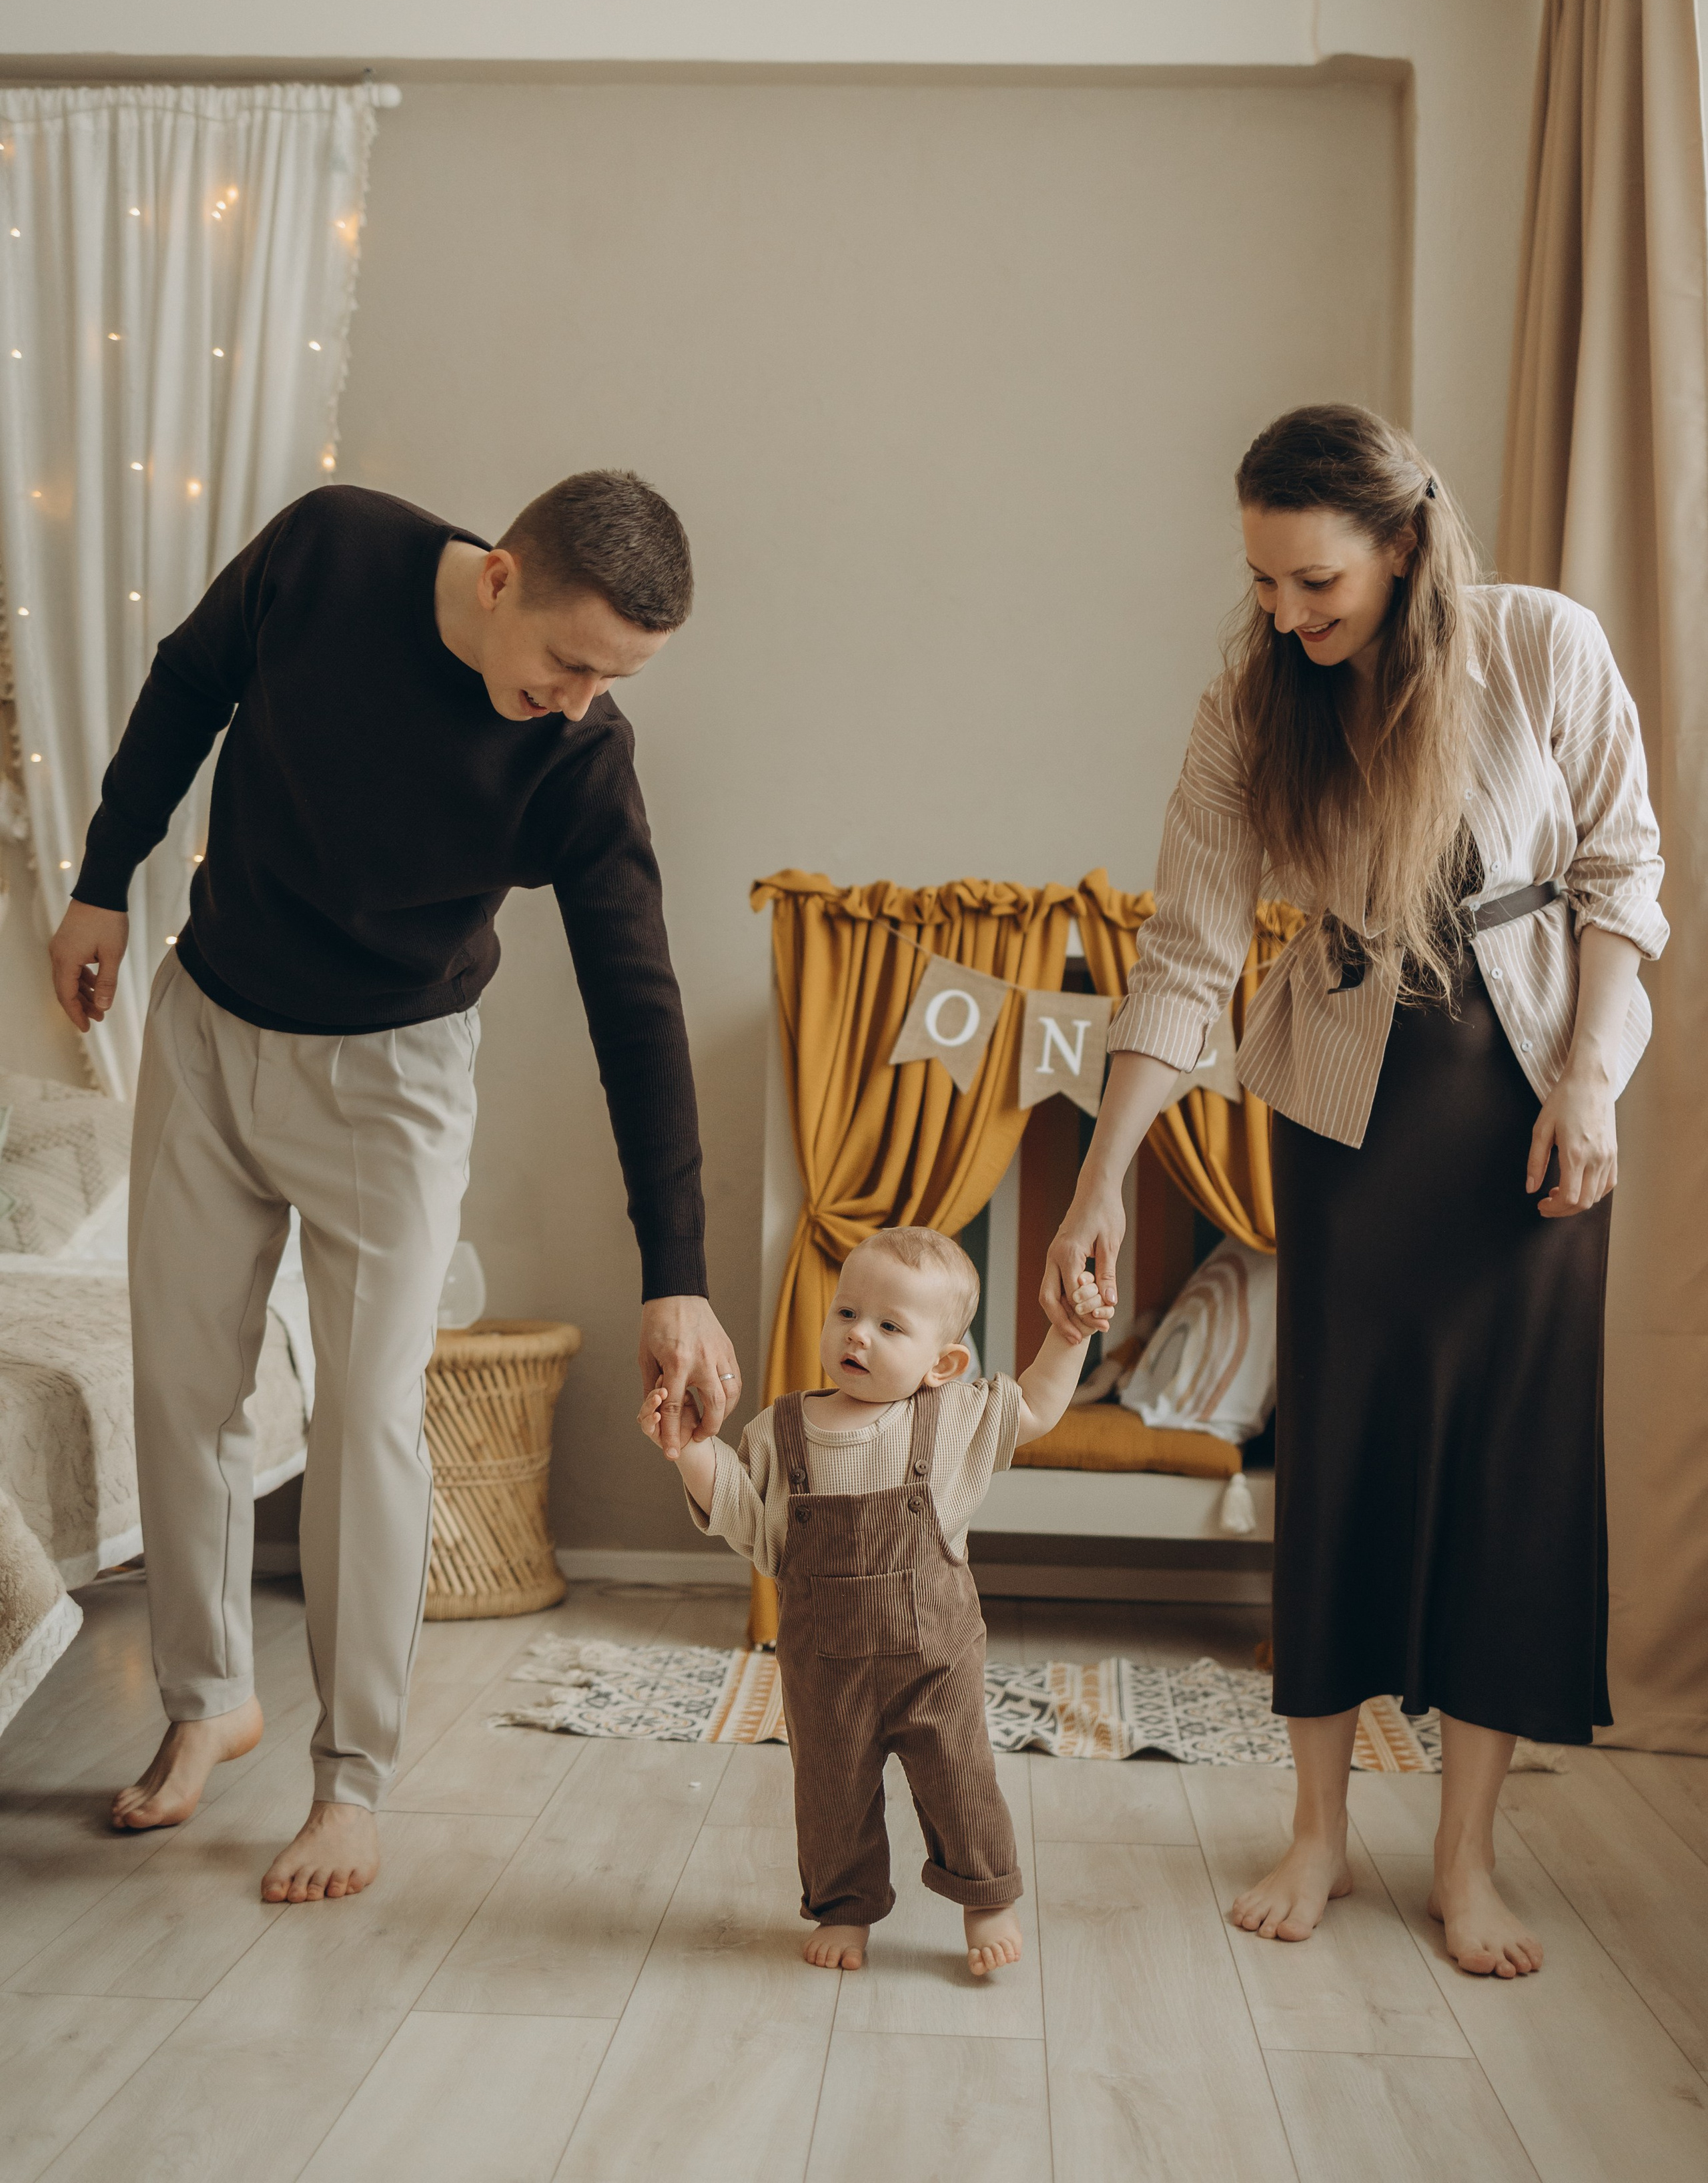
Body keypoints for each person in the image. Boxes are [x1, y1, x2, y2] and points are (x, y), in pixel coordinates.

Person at [50, 473, 741, 1903]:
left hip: (392, 1082)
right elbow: (187, 681)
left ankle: (350, 1782)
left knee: (365, 1418)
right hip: (208, 1025)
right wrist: (102, 879)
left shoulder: (579, 760)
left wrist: (675, 1274)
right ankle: (205, 1703)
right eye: (569, 662)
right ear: (498, 579)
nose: (579, 702)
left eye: (613, 682)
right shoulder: (330, 551)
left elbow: (638, 1006)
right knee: (182, 1383)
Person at [1043, 404, 1665, 1980]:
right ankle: (1315, 1830)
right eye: (1260, 582)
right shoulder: (1250, 709)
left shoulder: (1539, 645)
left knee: (1510, 1474)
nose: (1281, 615)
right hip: (1344, 1124)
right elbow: (1184, 956)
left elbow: (1619, 879)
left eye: (1310, 581)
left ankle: (1464, 1857)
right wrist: (1099, 1184)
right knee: (1331, 1464)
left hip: (1529, 1116)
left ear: (1400, 541)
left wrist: (1589, 1081)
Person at [642, 1225, 1087, 1977]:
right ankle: (844, 1908)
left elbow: (1036, 1408)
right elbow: (749, 1522)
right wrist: (688, 1448)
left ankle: (985, 1897)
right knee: (831, 1794)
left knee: (960, 1777)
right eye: (847, 1313)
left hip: (935, 1660)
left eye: (890, 1326)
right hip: (825, 1668)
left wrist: (1069, 1334)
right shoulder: (780, 1431)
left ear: (943, 1363)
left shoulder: (952, 1419)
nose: (857, 1335)